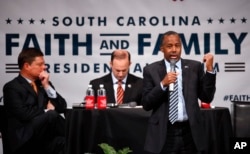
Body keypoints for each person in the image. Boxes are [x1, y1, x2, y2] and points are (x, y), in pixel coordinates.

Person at [142, 31, 216, 154]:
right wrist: (162, 84)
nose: (174, 50)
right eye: (169, 46)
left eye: (177, 45)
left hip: (190, 131)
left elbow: (206, 97)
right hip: (165, 132)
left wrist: (209, 70)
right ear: (162, 48)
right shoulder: (151, 70)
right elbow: (146, 103)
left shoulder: (194, 67)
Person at [3, 48, 67, 154]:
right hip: (25, 137)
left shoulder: (43, 83)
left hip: (45, 137)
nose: (44, 67)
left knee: (67, 143)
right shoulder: (12, 87)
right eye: (40, 64)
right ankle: (76, 135)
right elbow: (23, 114)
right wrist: (46, 110)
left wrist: (46, 86)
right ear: (27, 66)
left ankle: (75, 137)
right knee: (51, 115)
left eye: (44, 64)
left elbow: (62, 106)